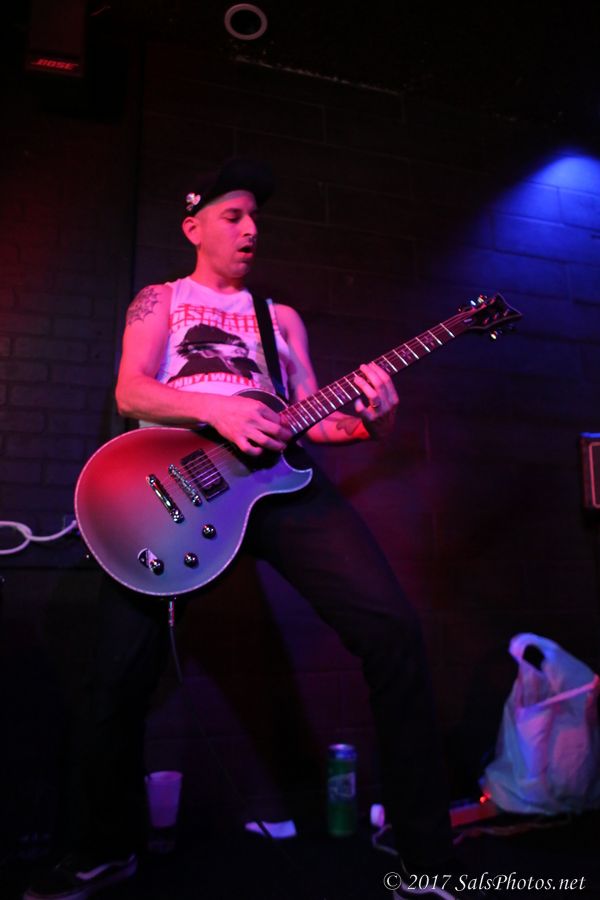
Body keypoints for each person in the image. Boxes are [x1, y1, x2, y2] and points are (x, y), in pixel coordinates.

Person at [24, 159, 457, 900]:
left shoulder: (279, 319)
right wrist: (217, 409)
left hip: (281, 480)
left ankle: (424, 854)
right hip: (180, 483)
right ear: (193, 226)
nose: (251, 228)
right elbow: (131, 391)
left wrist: (377, 420)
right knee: (116, 672)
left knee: (392, 629)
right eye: (234, 216)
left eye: (256, 217)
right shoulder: (161, 299)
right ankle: (102, 848)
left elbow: (320, 419)